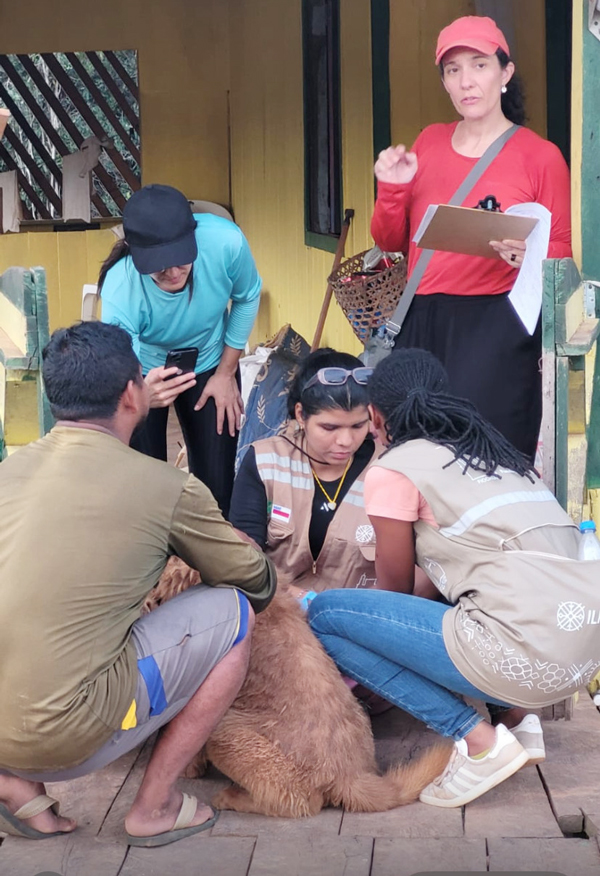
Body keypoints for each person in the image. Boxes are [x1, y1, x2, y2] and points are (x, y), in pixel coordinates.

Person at [0, 321, 276, 847]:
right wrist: (244, 547)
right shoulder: (166, 486)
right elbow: (254, 583)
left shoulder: (8, 472)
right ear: (134, 393)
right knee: (233, 611)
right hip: (71, 736)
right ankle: (155, 805)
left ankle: (17, 785)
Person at [308, 348, 600, 808]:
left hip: (522, 658)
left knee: (327, 616)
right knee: (482, 595)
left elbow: (396, 594)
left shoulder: (395, 469)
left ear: (377, 417)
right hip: (581, 660)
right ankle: (519, 721)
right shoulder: (494, 453)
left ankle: (478, 741)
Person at [371, 15, 571, 461]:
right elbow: (391, 240)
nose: (467, 81)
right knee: (416, 456)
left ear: (506, 73)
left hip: (497, 325)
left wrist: (529, 256)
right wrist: (392, 188)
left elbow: (561, 255)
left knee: (487, 456)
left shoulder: (541, 156)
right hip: (421, 316)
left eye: (480, 65)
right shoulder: (428, 142)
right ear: (443, 81)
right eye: (453, 69)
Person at [99, 184, 262, 517]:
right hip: (143, 370)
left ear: (194, 234)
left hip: (212, 362)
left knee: (217, 489)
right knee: (144, 484)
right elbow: (120, 357)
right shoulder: (120, 285)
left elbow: (247, 296)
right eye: (159, 264)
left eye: (181, 259)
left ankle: (211, 562)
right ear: (135, 251)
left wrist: (226, 373)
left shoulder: (226, 242)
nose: (173, 272)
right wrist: (142, 393)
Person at [229, 349, 379, 596]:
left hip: (356, 616)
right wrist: (294, 597)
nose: (346, 440)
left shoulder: (387, 468)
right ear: (301, 415)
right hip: (278, 608)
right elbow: (245, 556)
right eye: (329, 427)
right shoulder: (265, 462)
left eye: (358, 425)